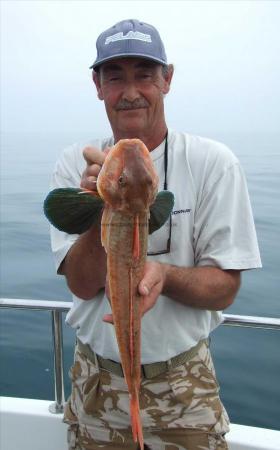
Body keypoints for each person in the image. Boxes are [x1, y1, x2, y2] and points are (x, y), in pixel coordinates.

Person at [50, 19, 262, 450]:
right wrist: (98, 203)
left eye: (144, 74)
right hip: (96, 386)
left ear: (167, 79)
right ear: (97, 85)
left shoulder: (213, 163)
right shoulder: (75, 162)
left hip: (184, 389)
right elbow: (80, 283)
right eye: (115, 76)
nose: (130, 90)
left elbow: (225, 288)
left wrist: (164, 276)